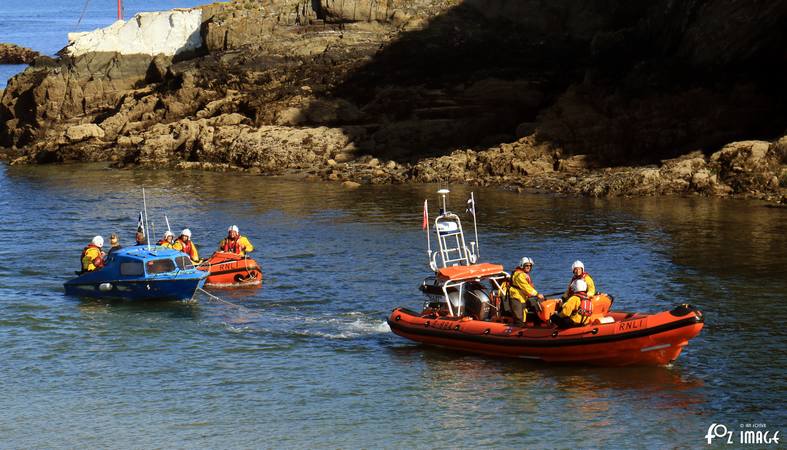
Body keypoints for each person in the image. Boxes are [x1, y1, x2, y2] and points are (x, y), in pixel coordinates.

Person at [507, 257, 544, 327]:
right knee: (519, 319)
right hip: (516, 298)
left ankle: (537, 325)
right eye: (527, 265)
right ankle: (519, 328)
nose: (529, 267)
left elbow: (528, 288)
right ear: (522, 265)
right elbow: (526, 287)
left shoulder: (523, 274)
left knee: (535, 305)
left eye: (530, 266)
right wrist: (537, 294)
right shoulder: (519, 275)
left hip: (523, 298)